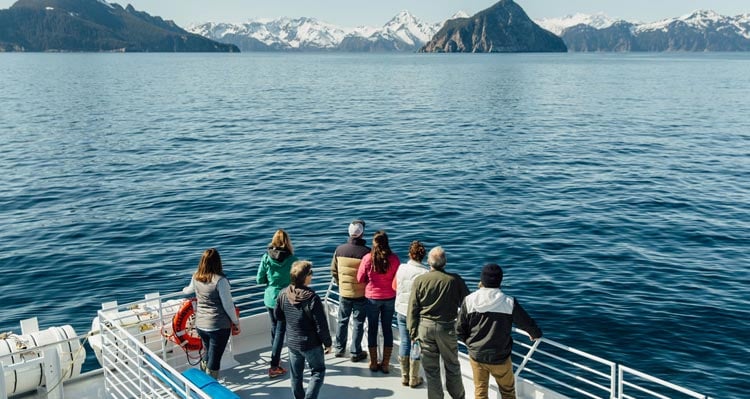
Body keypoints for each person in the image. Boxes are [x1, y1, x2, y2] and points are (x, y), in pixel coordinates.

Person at [457, 264, 543, 399]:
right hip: (500, 357)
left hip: (477, 355)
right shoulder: (509, 302)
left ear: (482, 280)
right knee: (508, 392)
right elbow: (526, 323)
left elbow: (459, 329)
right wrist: (535, 333)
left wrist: (470, 343)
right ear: (500, 280)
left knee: (480, 392)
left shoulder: (469, 300)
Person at [407, 246, 469, 399]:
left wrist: (412, 332)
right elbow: (468, 304)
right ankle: (458, 396)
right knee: (452, 365)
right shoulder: (455, 280)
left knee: (431, 369)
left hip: (425, 329)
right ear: (445, 262)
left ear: (429, 262)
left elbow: (412, 309)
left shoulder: (420, 281)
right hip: (447, 328)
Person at [275, 260, 332, 399]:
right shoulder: (312, 298)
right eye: (310, 273)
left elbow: (278, 316)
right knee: (318, 372)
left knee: (296, 375)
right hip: (311, 344)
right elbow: (321, 325)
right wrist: (328, 343)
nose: (312, 275)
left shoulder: (283, 294)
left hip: (293, 343)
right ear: (305, 277)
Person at [182, 248, 241, 379]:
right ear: (218, 262)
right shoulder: (220, 281)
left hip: (201, 324)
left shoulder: (196, 276)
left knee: (208, 352)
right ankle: (210, 383)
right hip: (218, 326)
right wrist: (236, 322)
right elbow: (228, 305)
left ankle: (204, 377)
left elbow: (188, 291)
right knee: (215, 358)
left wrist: (183, 289)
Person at [256, 229, 298, 378]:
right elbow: (297, 279)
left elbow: (259, 279)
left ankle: (276, 356)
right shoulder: (293, 259)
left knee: (275, 327)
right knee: (280, 330)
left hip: (269, 297)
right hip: (285, 298)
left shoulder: (266, 257)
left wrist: (271, 281)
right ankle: (274, 365)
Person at [357, 230, 400, 373]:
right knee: (387, 329)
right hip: (389, 297)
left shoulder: (367, 258)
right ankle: (386, 363)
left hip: (372, 299)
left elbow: (360, 278)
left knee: (372, 329)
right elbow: (397, 279)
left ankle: (374, 362)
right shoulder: (394, 259)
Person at [330, 219, 370, 362]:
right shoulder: (367, 252)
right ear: (362, 233)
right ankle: (355, 351)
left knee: (342, 320)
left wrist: (341, 283)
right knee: (359, 322)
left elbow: (333, 270)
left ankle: (339, 349)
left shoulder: (339, 250)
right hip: (360, 294)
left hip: (344, 292)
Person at [392, 240, 428, 387]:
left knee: (405, 342)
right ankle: (414, 377)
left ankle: (404, 376)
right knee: (415, 343)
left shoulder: (401, 268)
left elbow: (394, 286)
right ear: (423, 256)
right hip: (417, 314)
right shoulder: (425, 273)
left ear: (410, 254)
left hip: (401, 310)